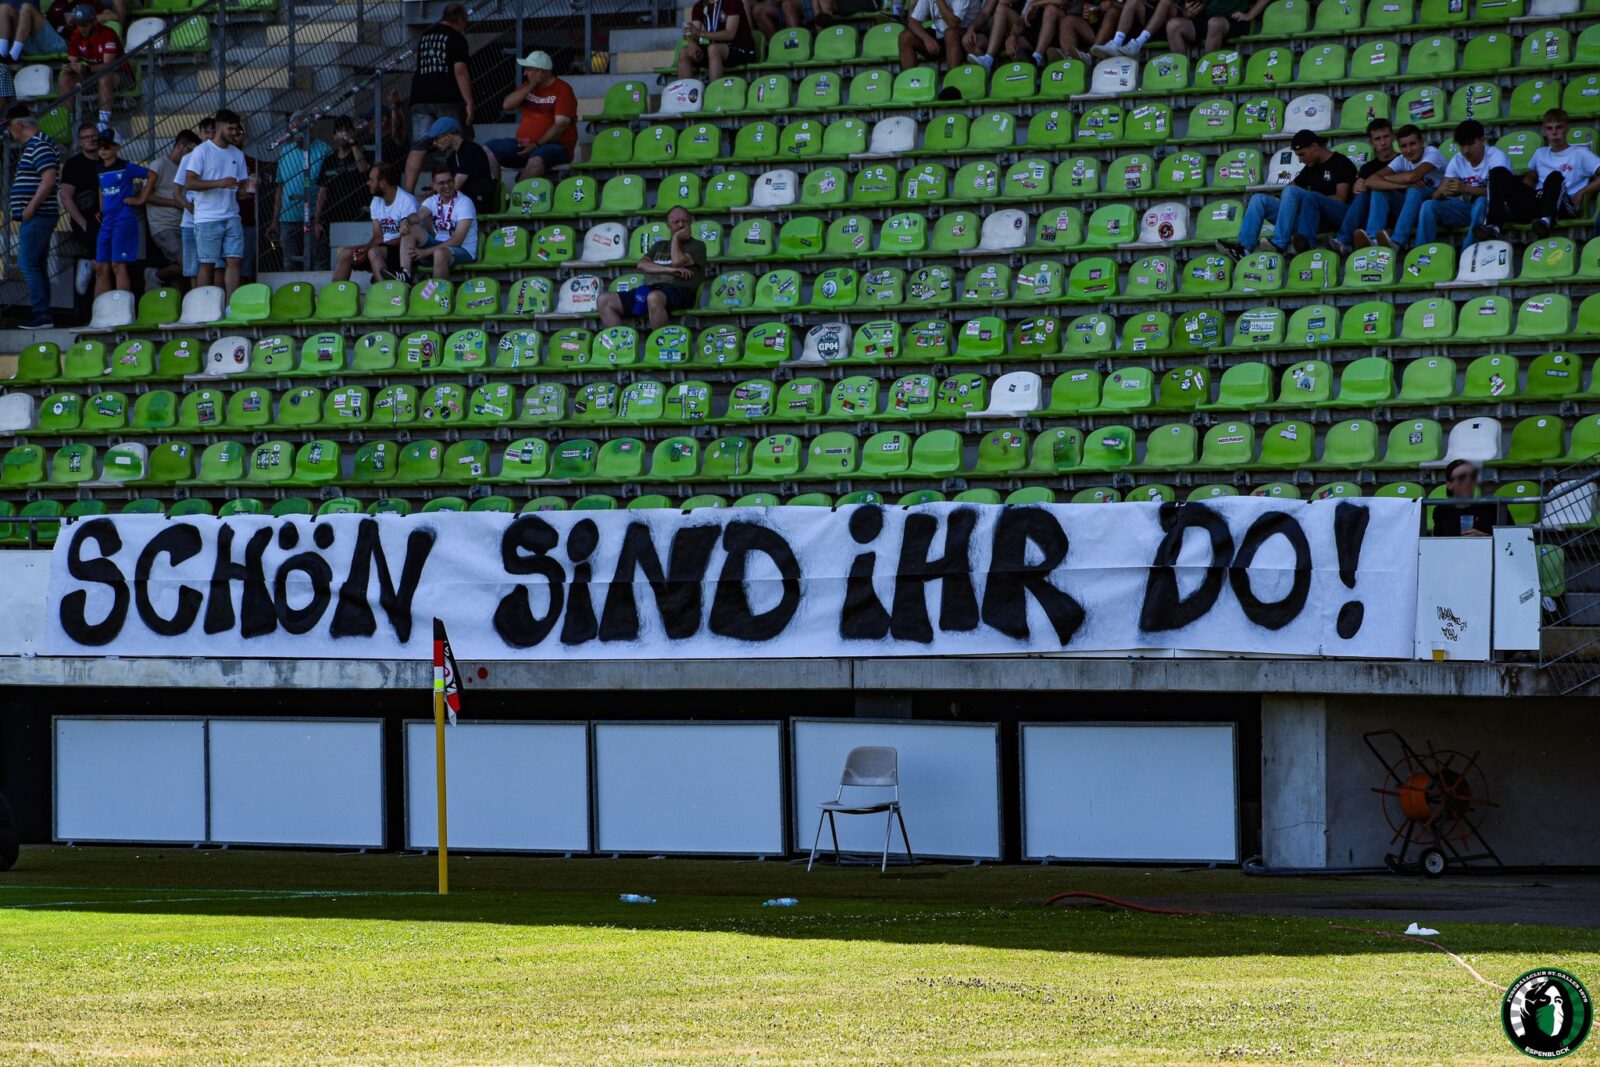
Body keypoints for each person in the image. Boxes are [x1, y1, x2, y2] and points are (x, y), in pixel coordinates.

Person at [1218, 129, 1355, 259]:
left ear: (1314, 146)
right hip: (1309, 219)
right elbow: (1291, 188)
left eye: (1302, 154)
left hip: (1335, 218)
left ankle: (1279, 244)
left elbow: (1340, 199)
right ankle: (1244, 248)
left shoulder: (1341, 162)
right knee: (1258, 199)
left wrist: (1309, 200)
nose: (1300, 160)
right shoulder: (1310, 167)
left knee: (1298, 193)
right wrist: (1287, 203)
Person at [1477, 108, 1600, 242]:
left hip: (1564, 205)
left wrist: (1582, 192)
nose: (1554, 132)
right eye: (1549, 128)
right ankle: (1493, 226)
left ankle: (1547, 221)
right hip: (1537, 201)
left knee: (1554, 176)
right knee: (1497, 172)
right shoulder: (1540, 153)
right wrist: (1520, 193)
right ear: (1544, 131)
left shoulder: (1580, 153)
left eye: (1558, 127)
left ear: (1567, 128)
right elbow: (1531, 178)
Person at [1385, 119, 1507, 252]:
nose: (1466, 150)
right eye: (1462, 145)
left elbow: (1502, 193)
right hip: (1469, 209)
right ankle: (1420, 254)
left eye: (1470, 144)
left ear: (1482, 140)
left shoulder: (1496, 157)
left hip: (1498, 211)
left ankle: (1466, 254)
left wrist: (1465, 188)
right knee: (1428, 206)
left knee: (1481, 202)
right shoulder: (1457, 160)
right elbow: (1436, 195)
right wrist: (1442, 191)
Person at [597, 205, 707, 331]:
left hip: (681, 292)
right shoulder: (659, 245)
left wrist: (676, 239)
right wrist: (669, 270)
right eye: (676, 221)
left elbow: (677, 262)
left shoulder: (698, 246)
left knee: (654, 297)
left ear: (690, 223)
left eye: (685, 221)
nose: (681, 225)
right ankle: (620, 344)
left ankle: (657, 343)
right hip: (651, 289)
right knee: (604, 300)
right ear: (668, 225)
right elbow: (642, 265)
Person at [404, 3, 472, 196]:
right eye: (465, 23)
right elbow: (460, 71)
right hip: (447, 96)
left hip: (419, 97)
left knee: (418, 146)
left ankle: (407, 195)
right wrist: (469, 102)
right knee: (454, 141)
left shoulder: (425, 35)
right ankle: (454, 190)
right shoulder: (456, 37)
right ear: (459, 20)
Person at [181, 107, 249, 297]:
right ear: (218, 126)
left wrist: (249, 188)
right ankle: (204, 304)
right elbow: (190, 182)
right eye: (230, 128)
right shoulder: (202, 151)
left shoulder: (237, 154)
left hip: (232, 215)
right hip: (207, 217)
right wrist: (220, 183)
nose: (234, 133)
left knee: (234, 260)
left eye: (236, 129)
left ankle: (230, 305)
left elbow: (241, 191)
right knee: (207, 263)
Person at [1349, 124, 1445, 251]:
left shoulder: (1432, 153)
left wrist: (1400, 181)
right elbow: (1371, 181)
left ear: (1422, 142)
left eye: (1412, 144)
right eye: (1404, 146)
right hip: (1411, 209)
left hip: (1437, 204)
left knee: (1414, 190)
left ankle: (1397, 241)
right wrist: (1401, 184)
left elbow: (1413, 177)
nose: (1408, 150)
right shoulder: (1401, 159)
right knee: (1379, 189)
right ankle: (1372, 238)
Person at [485, 50, 577, 181]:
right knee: (488, 149)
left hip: (555, 146)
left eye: (529, 70)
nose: (525, 73)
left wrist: (536, 144)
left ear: (541, 72)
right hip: (524, 144)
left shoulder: (563, 89)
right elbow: (507, 105)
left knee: (536, 160)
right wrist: (531, 85)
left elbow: (561, 125)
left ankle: (517, 196)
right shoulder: (528, 86)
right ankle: (494, 194)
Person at [7, 105, 59, 329]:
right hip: (37, 215)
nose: (9, 132)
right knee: (35, 265)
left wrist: (30, 208)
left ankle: (42, 316)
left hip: (38, 215)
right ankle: (43, 315)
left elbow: (48, 180)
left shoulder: (39, 145)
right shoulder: (37, 145)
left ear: (18, 125)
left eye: (9, 127)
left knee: (28, 264)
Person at [332, 161, 416, 282]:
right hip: (381, 249)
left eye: (371, 180)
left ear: (382, 183)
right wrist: (364, 249)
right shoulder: (376, 201)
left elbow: (407, 237)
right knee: (346, 254)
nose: (368, 183)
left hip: (402, 254)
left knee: (373, 252)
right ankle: (334, 296)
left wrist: (371, 248)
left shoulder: (407, 201)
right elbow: (377, 236)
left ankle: (386, 294)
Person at [90, 131, 150, 297]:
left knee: (118, 265)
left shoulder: (126, 166)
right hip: (107, 221)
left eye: (107, 147)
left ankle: (121, 310)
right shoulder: (99, 169)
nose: (102, 150)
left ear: (117, 147)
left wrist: (141, 198)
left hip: (123, 220)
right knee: (101, 267)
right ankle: (101, 313)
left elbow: (151, 174)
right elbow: (101, 189)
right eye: (100, 147)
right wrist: (102, 210)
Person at [395, 167, 477, 282]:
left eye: (449, 181)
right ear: (434, 186)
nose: (447, 186)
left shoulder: (464, 202)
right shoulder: (432, 200)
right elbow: (417, 217)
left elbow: (458, 240)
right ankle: (405, 274)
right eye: (442, 183)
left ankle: (438, 295)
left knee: (439, 253)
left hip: (463, 250)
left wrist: (425, 252)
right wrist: (404, 220)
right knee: (412, 229)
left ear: (454, 181)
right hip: (439, 246)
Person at [312, 116, 369, 273]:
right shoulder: (329, 160)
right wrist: (316, 220)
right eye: (339, 131)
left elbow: (363, 169)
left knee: (355, 257)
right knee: (330, 259)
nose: (343, 134)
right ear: (334, 135)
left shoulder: (359, 153)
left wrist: (353, 142)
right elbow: (322, 191)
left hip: (357, 216)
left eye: (346, 130)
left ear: (352, 132)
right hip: (333, 217)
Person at [143, 129, 198, 289]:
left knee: (184, 269)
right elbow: (146, 196)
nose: (193, 156)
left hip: (183, 225)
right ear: (180, 146)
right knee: (188, 264)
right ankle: (154, 275)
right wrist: (175, 203)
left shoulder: (186, 169)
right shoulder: (159, 164)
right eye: (191, 150)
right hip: (164, 226)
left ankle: (175, 305)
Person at [270, 126, 330, 271]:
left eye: (301, 132)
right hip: (287, 216)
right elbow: (280, 187)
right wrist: (274, 221)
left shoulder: (324, 149)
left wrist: (317, 218)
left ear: (311, 130)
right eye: (294, 132)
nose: (297, 136)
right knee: (289, 263)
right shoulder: (285, 151)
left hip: (314, 216)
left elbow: (326, 186)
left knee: (318, 261)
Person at [413, 115, 497, 214]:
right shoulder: (452, 157)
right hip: (464, 201)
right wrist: (434, 190)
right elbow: (449, 185)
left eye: (437, 139)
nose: (434, 143)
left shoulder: (471, 150)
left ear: (448, 136)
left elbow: (456, 185)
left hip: (478, 202)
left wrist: (433, 198)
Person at [58, 3, 118, 134]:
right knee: (64, 78)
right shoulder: (75, 34)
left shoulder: (108, 34)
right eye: (79, 24)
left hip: (118, 74)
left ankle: (103, 124)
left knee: (104, 75)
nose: (82, 28)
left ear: (94, 21)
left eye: (85, 24)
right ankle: (68, 122)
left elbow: (109, 65)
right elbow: (72, 58)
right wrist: (68, 66)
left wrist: (86, 69)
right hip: (90, 73)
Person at [57, 123, 103, 297]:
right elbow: (66, 196)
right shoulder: (73, 164)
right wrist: (82, 223)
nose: (91, 140)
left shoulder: (107, 159)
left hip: (108, 217)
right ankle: (88, 264)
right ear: (80, 142)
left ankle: (89, 264)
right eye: (86, 137)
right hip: (87, 219)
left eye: (94, 136)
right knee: (101, 261)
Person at [680, 0, 760, 80]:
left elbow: (730, 34)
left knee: (713, 49)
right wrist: (692, 42)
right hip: (717, 51)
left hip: (742, 49)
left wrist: (700, 33)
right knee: (684, 52)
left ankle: (714, 91)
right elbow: (694, 31)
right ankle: (684, 91)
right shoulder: (699, 6)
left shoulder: (732, 2)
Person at [899, 0, 983, 70]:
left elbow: (953, 22)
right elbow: (913, 22)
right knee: (905, 37)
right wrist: (926, 38)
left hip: (967, 38)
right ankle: (910, 84)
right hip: (940, 36)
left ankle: (952, 82)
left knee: (950, 33)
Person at [227, 117, 263, 279]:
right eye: (232, 132)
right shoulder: (219, 158)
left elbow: (250, 189)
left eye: (239, 133)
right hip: (224, 216)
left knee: (246, 259)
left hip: (247, 218)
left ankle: (245, 292)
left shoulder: (251, 162)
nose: (235, 136)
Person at [1431, 460, 1495, 538]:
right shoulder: (1441, 511)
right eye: (1462, 477)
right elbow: (1436, 542)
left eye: (1472, 477)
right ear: (1450, 485)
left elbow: (1509, 540)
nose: (1468, 481)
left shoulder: (1492, 508)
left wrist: (1485, 537)